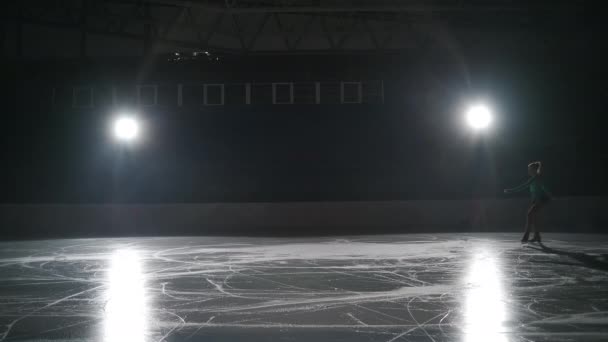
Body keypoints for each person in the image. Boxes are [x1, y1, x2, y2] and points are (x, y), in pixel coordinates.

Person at [504, 161, 551, 243]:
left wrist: (550, 195)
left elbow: (543, 188)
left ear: (534, 170)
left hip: (541, 200)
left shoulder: (537, 178)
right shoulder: (533, 179)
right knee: (534, 217)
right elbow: (525, 187)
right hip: (535, 201)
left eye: (529, 169)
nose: (528, 171)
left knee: (529, 214)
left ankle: (527, 235)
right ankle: (537, 236)